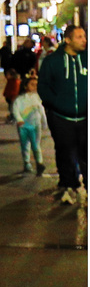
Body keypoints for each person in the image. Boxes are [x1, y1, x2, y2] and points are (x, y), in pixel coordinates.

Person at [38, 24, 88, 203]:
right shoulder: (53, 61)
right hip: (61, 117)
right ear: (68, 40)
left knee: (86, 153)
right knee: (65, 151)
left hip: (85, 117)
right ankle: (69, 185)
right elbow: (43, 86)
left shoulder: (87, 59)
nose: (84, 40)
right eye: (79, 37)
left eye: (84, 36)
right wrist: (56, 104)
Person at [13, 71, 49, 176]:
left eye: (36, 85)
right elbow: (15, 110)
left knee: (36, 145)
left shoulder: (37, 97)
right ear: (25, 86)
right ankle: (27, 163)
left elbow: (41, 110)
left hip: (35, 125)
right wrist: (19, 119)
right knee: (25, 145)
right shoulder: (19, 100)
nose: (35, 87)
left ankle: (39, 163)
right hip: (23, 126)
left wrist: (44, 122)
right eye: (32, 84)